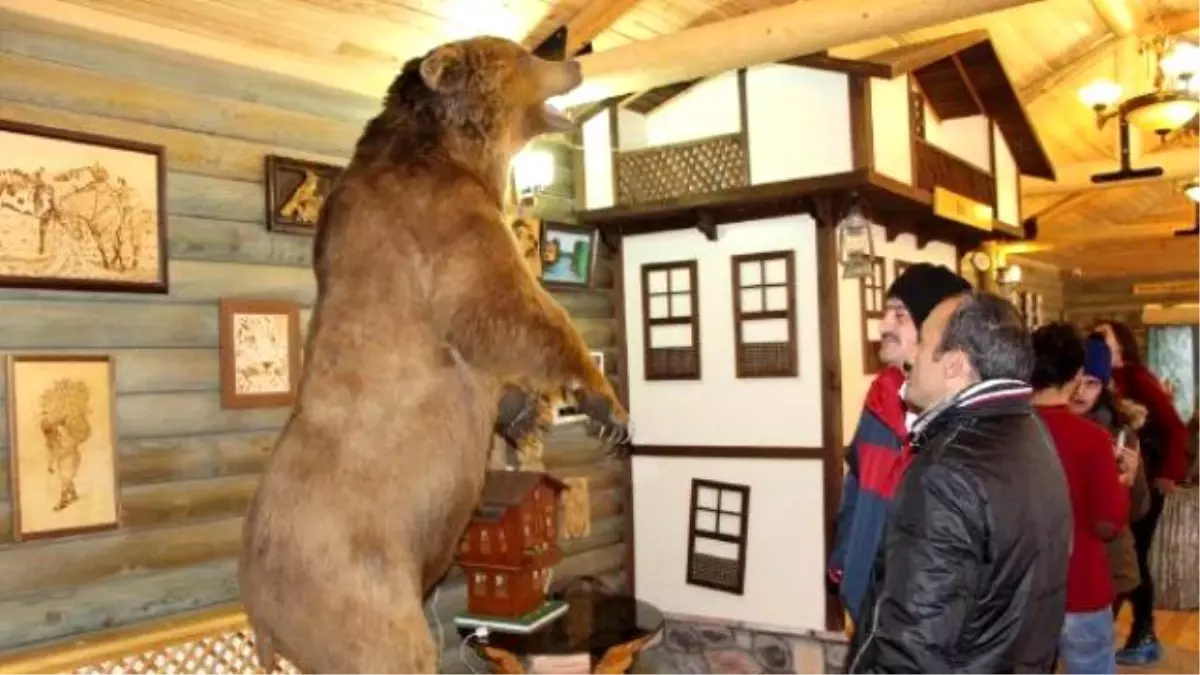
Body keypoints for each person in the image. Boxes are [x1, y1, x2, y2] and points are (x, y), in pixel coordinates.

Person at [846, 291, 1071, 675]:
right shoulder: (1030, 430)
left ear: (954, 364)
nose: (911, 356)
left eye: (923, 344)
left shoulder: (944, 470)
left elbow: (912, 651)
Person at [827, 263, 971, 626]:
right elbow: (856, 488)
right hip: (866, 601)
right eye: (885, 311)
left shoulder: (962, 414)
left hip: (929, 616)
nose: (883, 325)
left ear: (935, 329)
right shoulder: (879, 400)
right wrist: (844, 559)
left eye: (899, 315)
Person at [1031, 323, 1129, 675]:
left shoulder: (1006, 433)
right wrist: (1122, 485)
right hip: (1082, 587)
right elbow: (1109, 522)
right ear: (1076, 374)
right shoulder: (1092, 439)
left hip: (1021, 594)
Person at [1094, 320, 1190, 665]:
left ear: (1121, 343)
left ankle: (1144, 632)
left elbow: (1176, 427)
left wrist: (1167, 474)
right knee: (1125, 556)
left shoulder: (1136, 378)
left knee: (1133, 558)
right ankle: (1127, 631)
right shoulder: (1103, 379)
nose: (1097, 339)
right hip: (1124, 479)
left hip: (1145, 483)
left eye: (1103, 335)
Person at [1068, 334, 1152, 614]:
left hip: (1108, 564)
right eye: (1075, 381)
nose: (1080, 393)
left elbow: (1140, 510)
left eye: (1091, 383)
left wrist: (1131, 477)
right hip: (1060, 563)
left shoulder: (1120, 432)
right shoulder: (1045, 427)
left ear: (1103, 387)